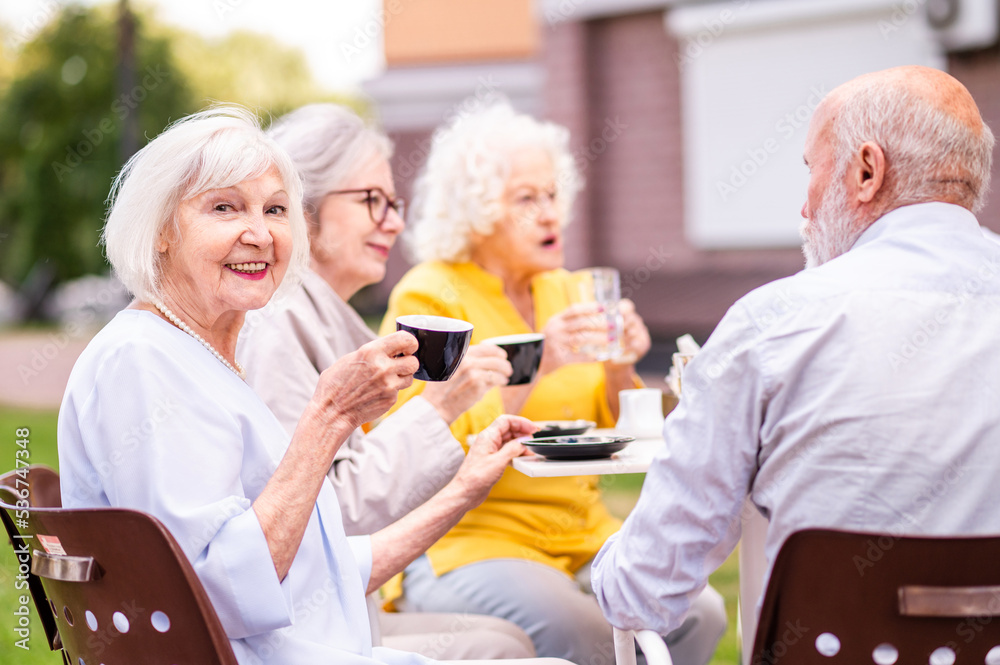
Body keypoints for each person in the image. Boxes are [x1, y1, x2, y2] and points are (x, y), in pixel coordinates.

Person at [57, 106, 570, 665]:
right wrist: (328, 417)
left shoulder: (196, 355)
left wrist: (465, 487)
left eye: (275, 209)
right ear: (160, 232)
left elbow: (321, 566)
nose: (259, 233)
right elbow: (215, 593)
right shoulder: (143, 361)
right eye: (224, 207)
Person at [591, 66, 1000, 636]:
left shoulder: (772, 325)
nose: (805, 208)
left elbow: (642, 594)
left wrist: (608, 558)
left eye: (812, 170)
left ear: (865, 170)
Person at [378, 102, 727, 665]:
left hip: (580, 533)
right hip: (474, 541)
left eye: (552, 195)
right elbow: (428, 440)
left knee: (699, 612)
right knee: (585, 631)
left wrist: (621, 362)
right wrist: (542, 358)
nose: (550, 215)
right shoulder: (430, 297)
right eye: (526, 199)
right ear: (479, 211)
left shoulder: (567, 290)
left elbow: (619, 427)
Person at [237, 103, 534, 659]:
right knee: (508, 648)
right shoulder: (278, 327)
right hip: (299, 627)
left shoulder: (314, 318)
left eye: (394, 204)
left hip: (328, 608)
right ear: (303, 203)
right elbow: (328, 517)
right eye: (372, 200)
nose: (395, 222)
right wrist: (442, 407)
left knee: (507, 640)